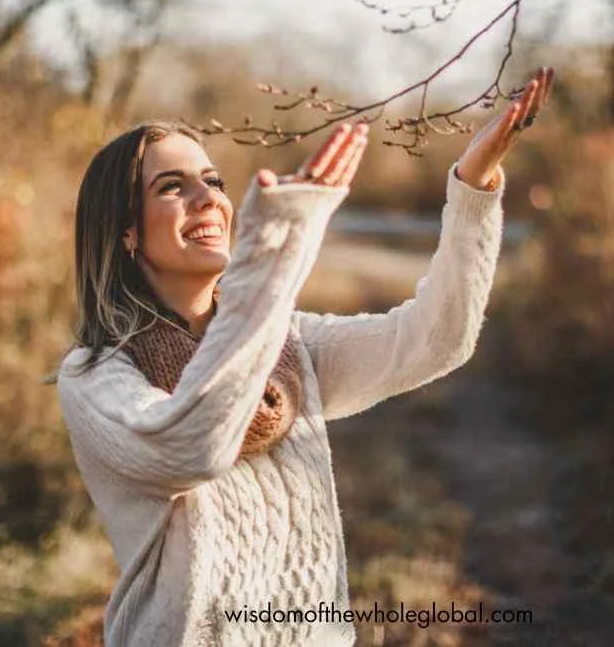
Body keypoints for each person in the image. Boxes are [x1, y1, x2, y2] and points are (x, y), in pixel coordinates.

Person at [55, 68, 555, 646]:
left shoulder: (288, 343)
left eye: (212, 180)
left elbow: (435, 338)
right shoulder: (96, 375)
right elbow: (192, 445)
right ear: (126, 232)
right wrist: (275, 253)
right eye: (171, 186)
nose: (207, 199)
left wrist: (473, 183)